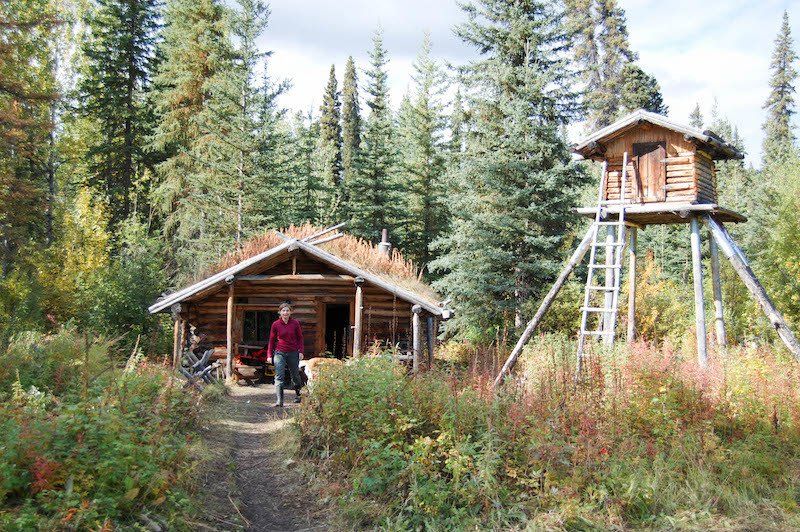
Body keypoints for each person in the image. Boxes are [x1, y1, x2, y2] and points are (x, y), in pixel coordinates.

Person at [266, 302, 304, 407]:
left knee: (295, 375)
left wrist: (301, 351)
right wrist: (269, 355)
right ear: (280, 312)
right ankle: (280, 401)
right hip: (280, 353)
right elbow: (271, 340)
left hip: (293, 352)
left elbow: (300, 338)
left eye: (287, 310)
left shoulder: (295, 323)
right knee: (279, 376)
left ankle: (298, 395)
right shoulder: (275, 324)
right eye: (283, 310)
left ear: (290, 312)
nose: (285, 312)